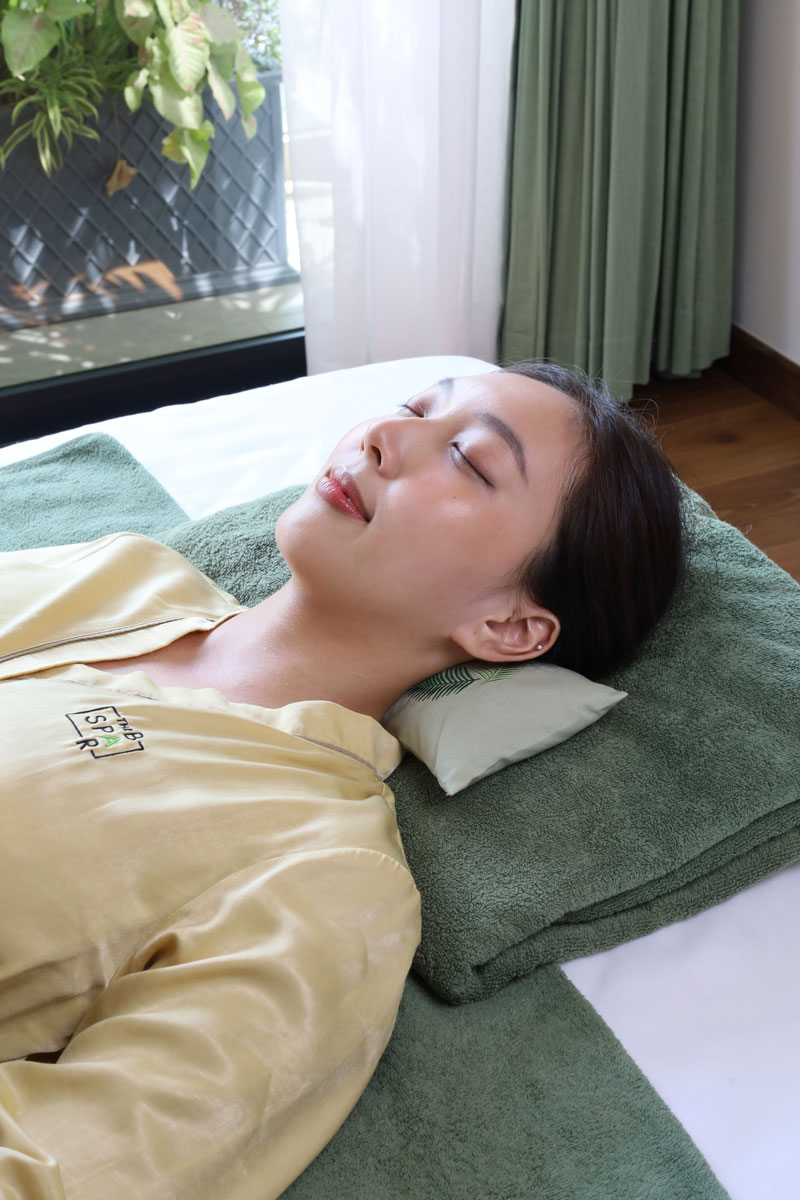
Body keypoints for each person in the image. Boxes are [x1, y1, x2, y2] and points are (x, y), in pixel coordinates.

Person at [0, 364, 685, 1199]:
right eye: (413, 407)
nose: (384, 436)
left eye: (469, 460)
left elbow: (78, 1170)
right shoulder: (129, 573)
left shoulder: (330, 877)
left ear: (508, 627)